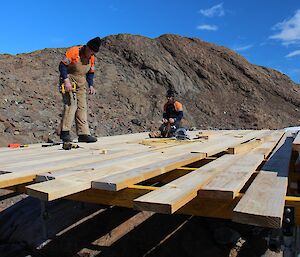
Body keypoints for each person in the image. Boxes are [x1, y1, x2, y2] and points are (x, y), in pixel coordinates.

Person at [58, 37, 101, 143]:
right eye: (90, 52)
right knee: (71, 104)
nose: (91, 55)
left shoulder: (91, 58)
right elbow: (62, 66)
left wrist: (91, 85)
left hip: (81, 82)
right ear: (86, 47)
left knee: (82, 107)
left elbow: (90, 73)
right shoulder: (74, 51)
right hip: (69, 79)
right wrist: (66, 80)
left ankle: (83, 134)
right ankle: (65, 132)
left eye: (93, 54)